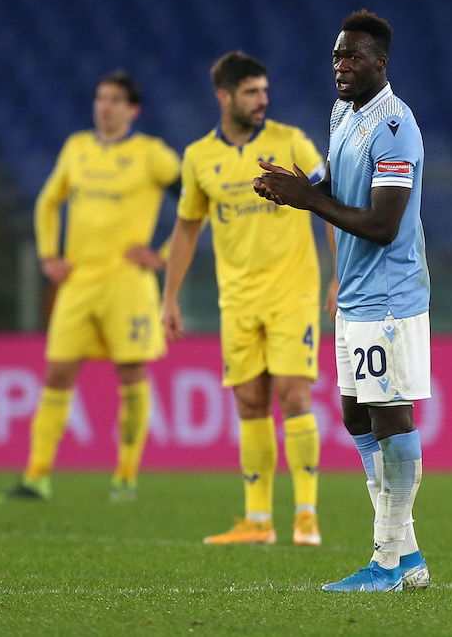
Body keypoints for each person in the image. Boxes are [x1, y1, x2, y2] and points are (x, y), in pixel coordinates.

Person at [254, 10, 431, 592]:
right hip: (354, 296)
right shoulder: (343, 113)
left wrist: (306, 200)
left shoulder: (396, 127)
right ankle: (406, 558)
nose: (340, 66)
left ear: (381, 62)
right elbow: (337, 181)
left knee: (389, 417)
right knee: (356, 415)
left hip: (389, 295)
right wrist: (300, 184)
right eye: (336, 56)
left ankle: (386, 559)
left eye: (353, 57)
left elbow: (382, 224)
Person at [161, 51, 334, 547]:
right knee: (249, 401)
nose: (263, 99)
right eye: (252, 92)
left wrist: (337, 276)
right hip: (236, 299)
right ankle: (258, 520)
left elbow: (329, 198)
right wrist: (168, 298)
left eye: (264, 90)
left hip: (292, 291)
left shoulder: (290, 141)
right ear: (224, 96)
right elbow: (187, 228)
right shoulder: (197, 157)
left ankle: (306, 515)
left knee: (293, 394)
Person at [0, 70, 180, 503]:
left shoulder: (152, 154)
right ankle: (35, 477)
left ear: (133, 110)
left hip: (127, 284)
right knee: (57, 372)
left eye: (114, 99)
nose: (104, 106)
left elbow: (194, 200)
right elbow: (48, 201)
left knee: (130, 374)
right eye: (100, 98)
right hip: (78, 281)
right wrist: (48, 255)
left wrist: (163, 254)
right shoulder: (77, 148)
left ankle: (126, 477)